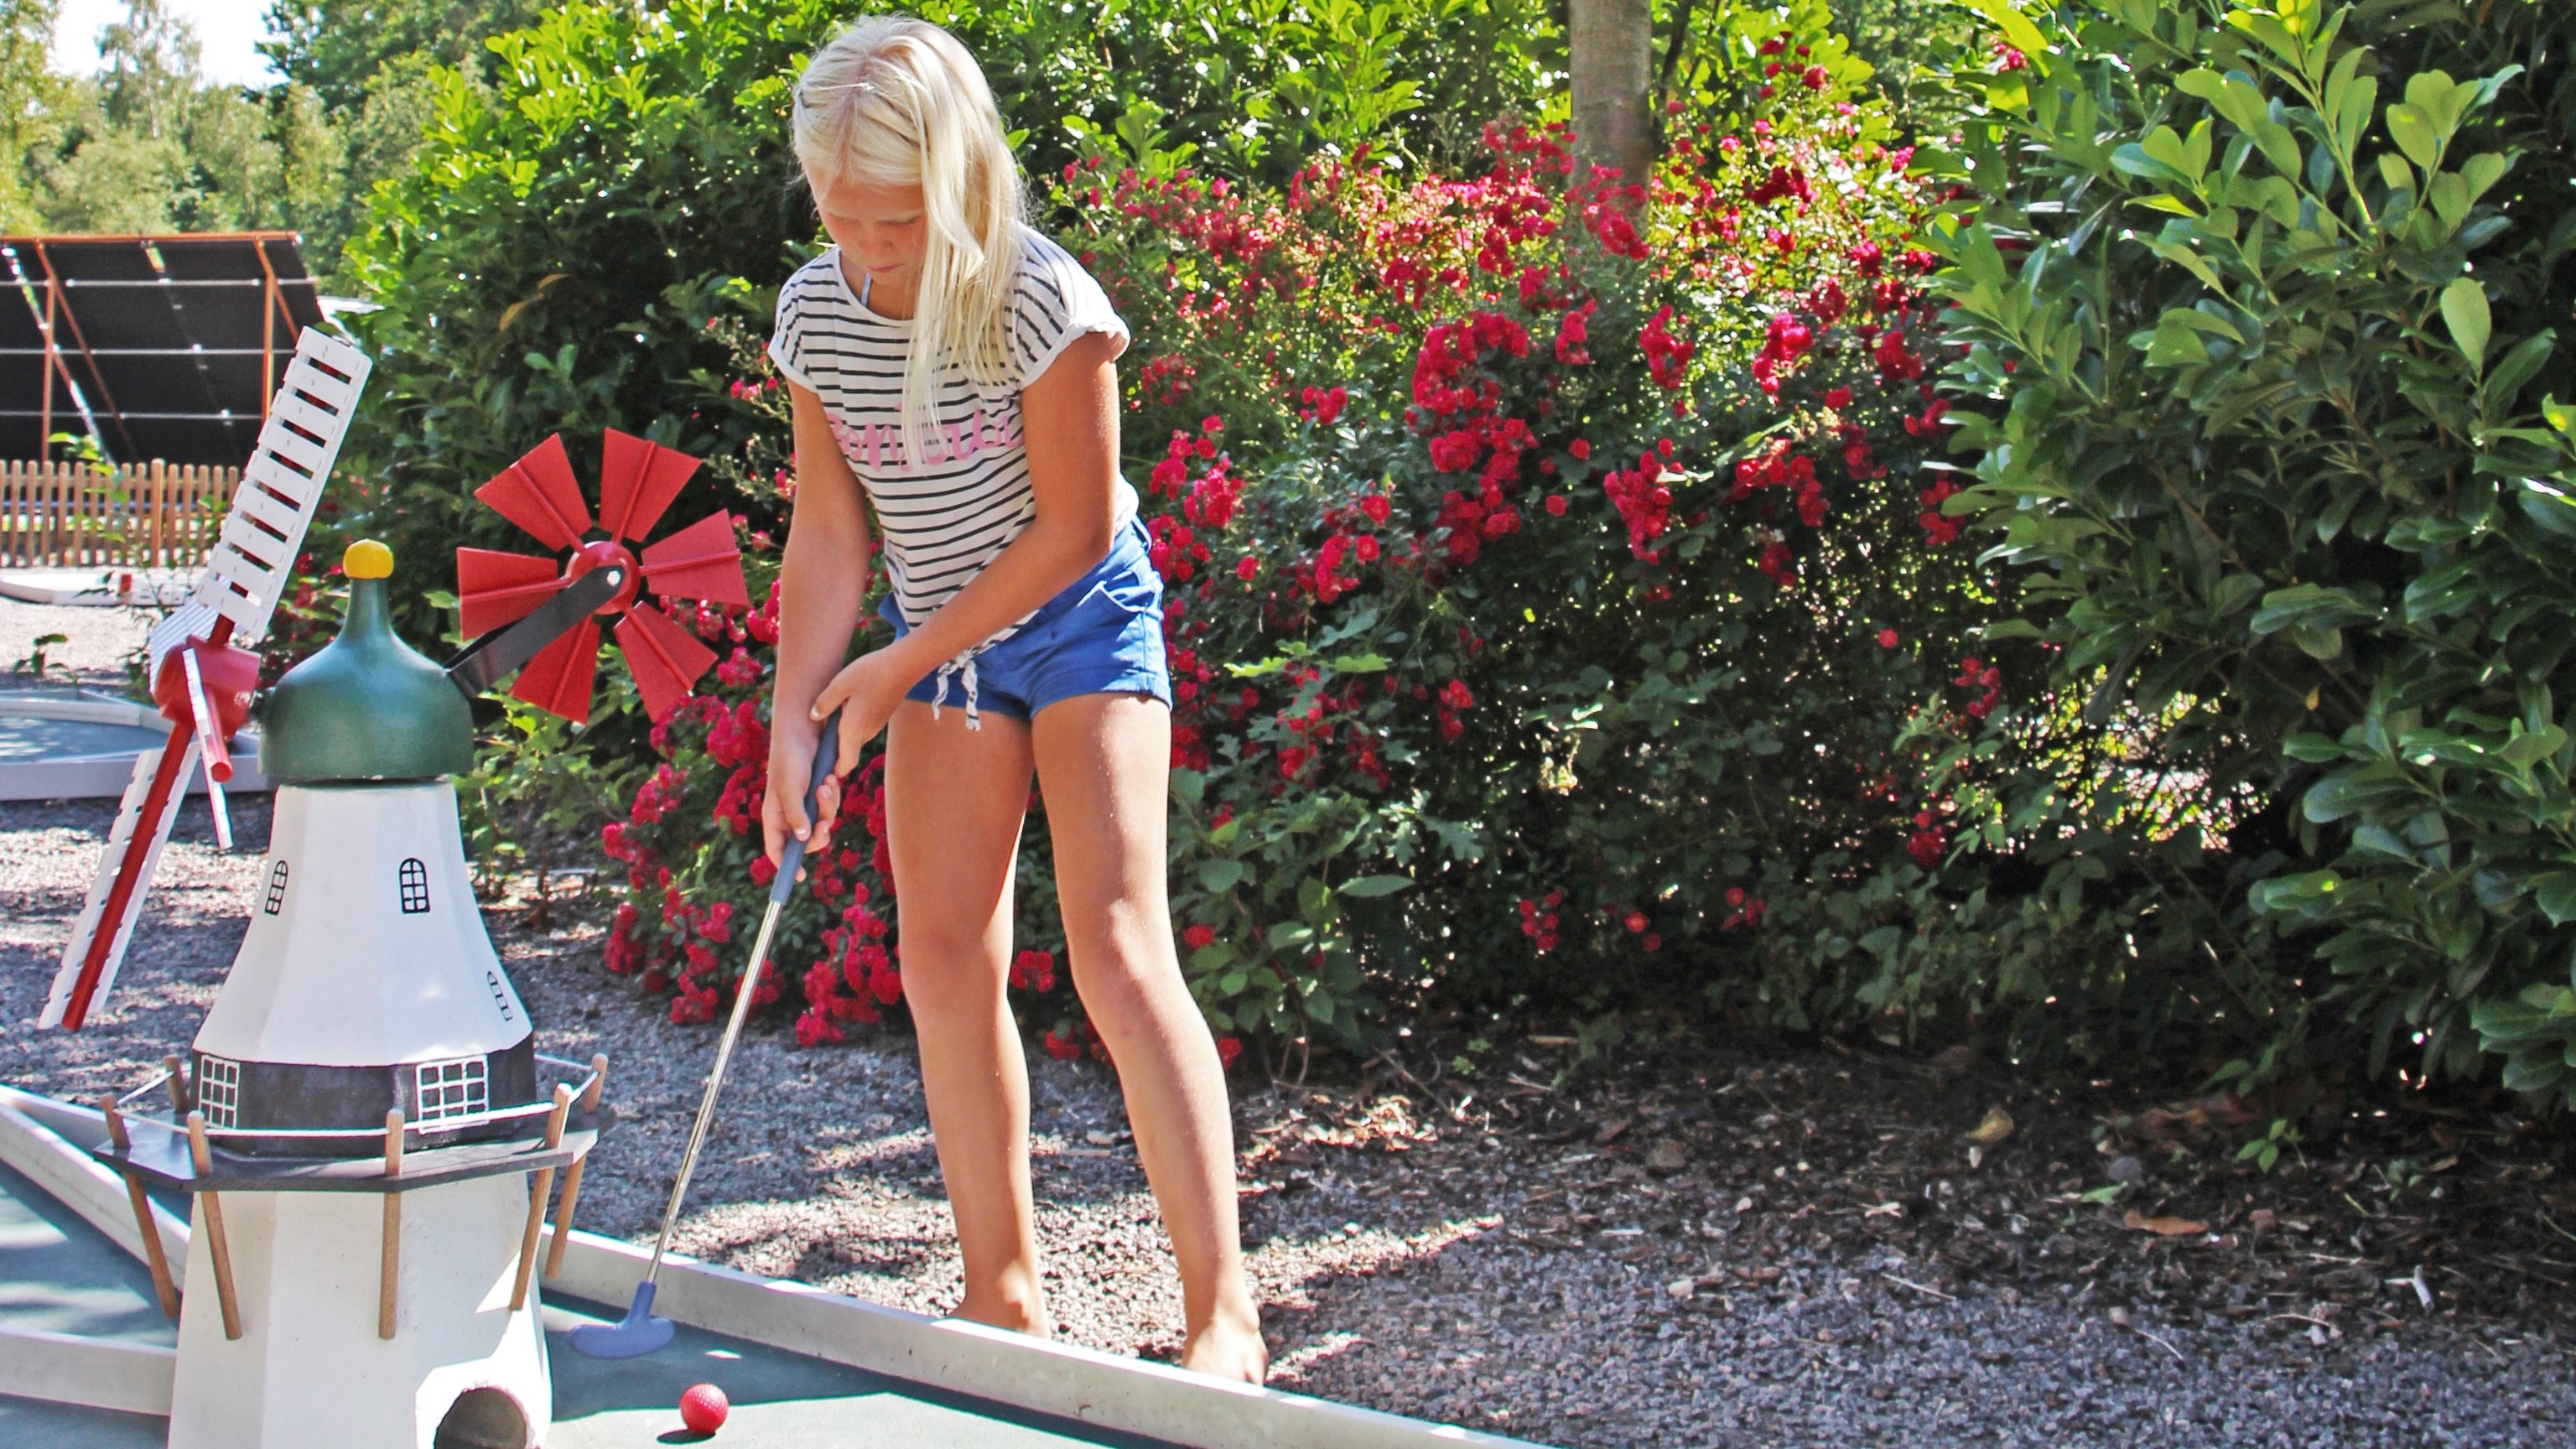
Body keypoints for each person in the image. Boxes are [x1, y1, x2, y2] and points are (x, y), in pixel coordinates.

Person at [757, 15, 1267, 1383]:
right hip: (940, 642)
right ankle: (1002, 1294)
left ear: (963, 174)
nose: (871, 246)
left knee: (1115, 943)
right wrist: (795, 716)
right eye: (843, 216)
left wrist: (894, 667)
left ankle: (1223, 1312)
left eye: (899, 217)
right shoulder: (815, 315)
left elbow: (1076, 531)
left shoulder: (1043, 301)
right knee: (940, 955)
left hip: (1082, 619)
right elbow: (829, 531)